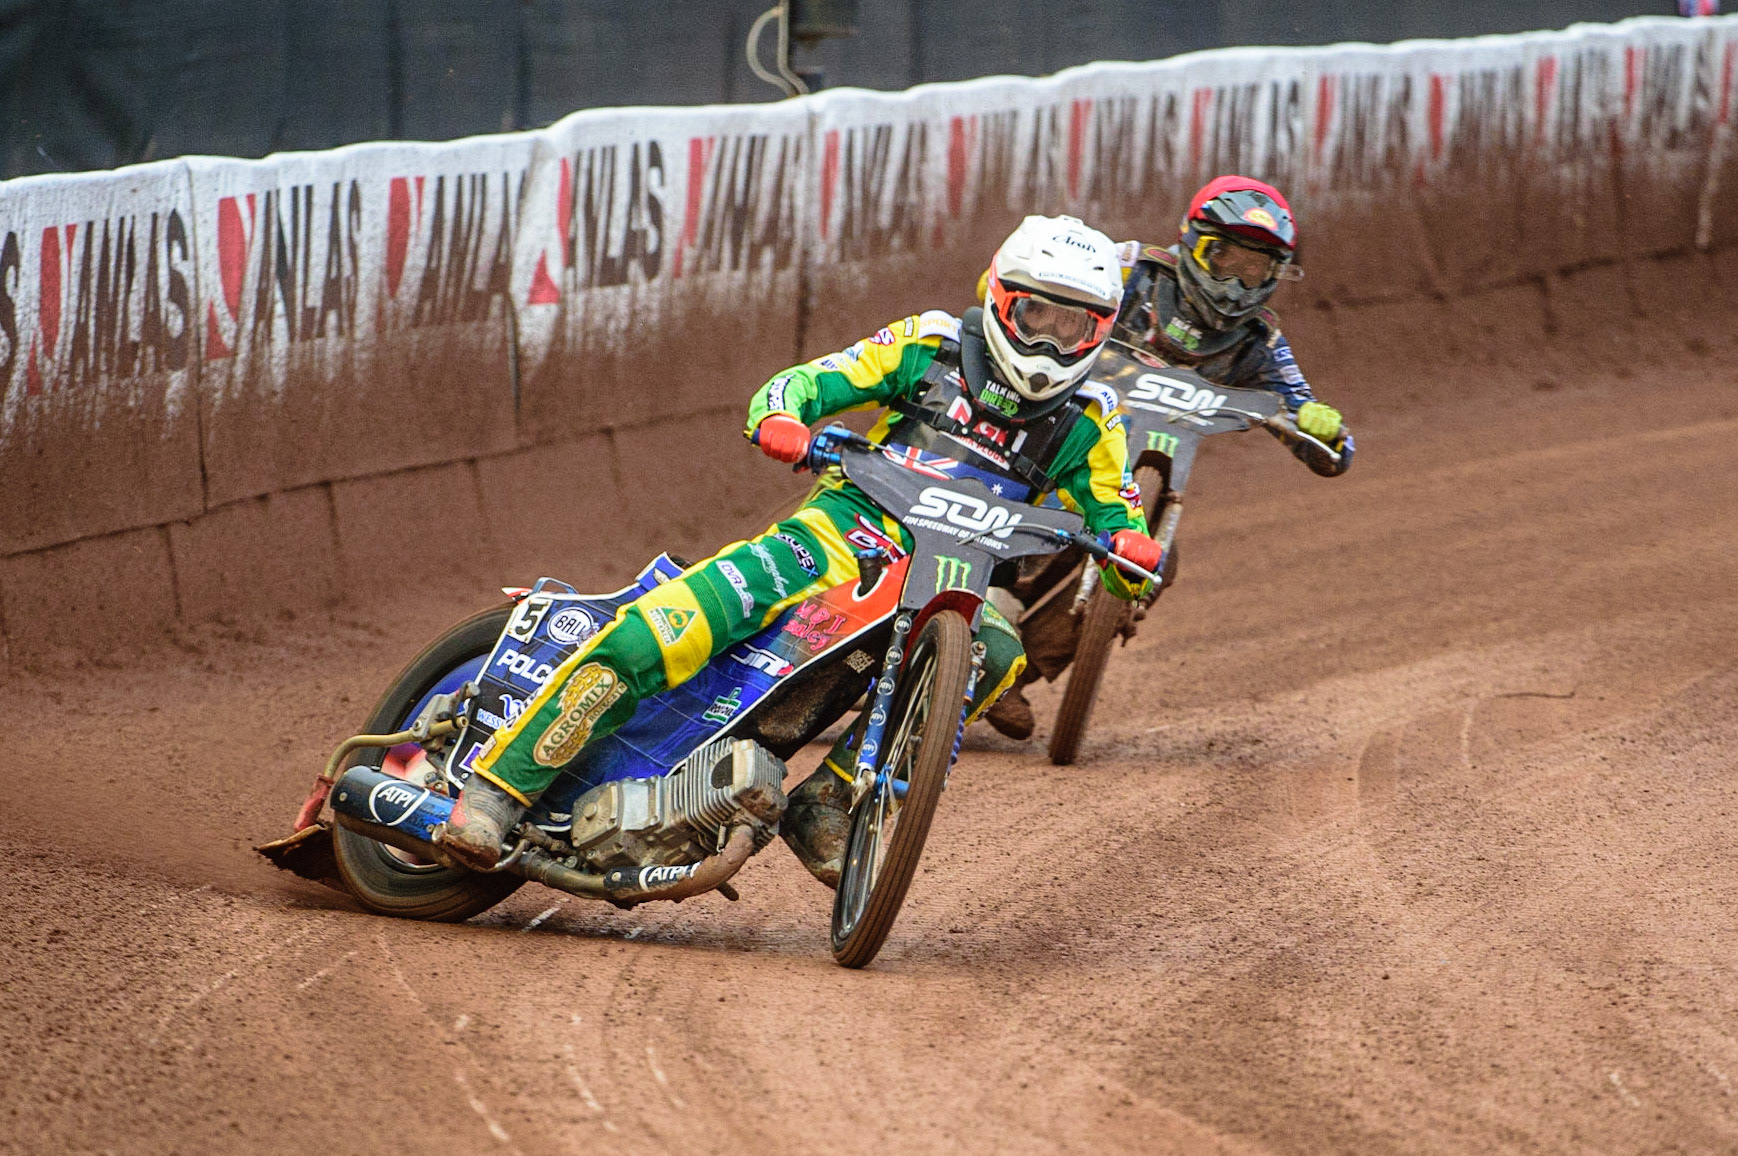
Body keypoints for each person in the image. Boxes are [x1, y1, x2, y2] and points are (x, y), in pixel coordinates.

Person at [435, 214, 1164, 886]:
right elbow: (807, 383)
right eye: (1035, 314)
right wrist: (782, 418)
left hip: (950, 574)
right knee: (672, 625)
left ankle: (832, 797)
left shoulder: (1092, 420)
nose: (1047, 342)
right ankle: (498, 790)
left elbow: (1119, 517)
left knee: (998, 652)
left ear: (1099, 333)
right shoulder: (932, 344)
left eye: (1071, 326)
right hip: (838, 536)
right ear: (1000, 299)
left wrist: (1135, 563)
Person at [982, 176, 1356, 740]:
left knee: (1155, 560)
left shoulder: (1260, 342)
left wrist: (1318, 425)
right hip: (1041, 427)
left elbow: (1329, 450)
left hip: (1126, 472)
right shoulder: (1127, 270)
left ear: (1276, 277)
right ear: (1190, 242)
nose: (1234, 281)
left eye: (1254, 269)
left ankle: (1008, 677)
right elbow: (1021, 292)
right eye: (1223, 256)